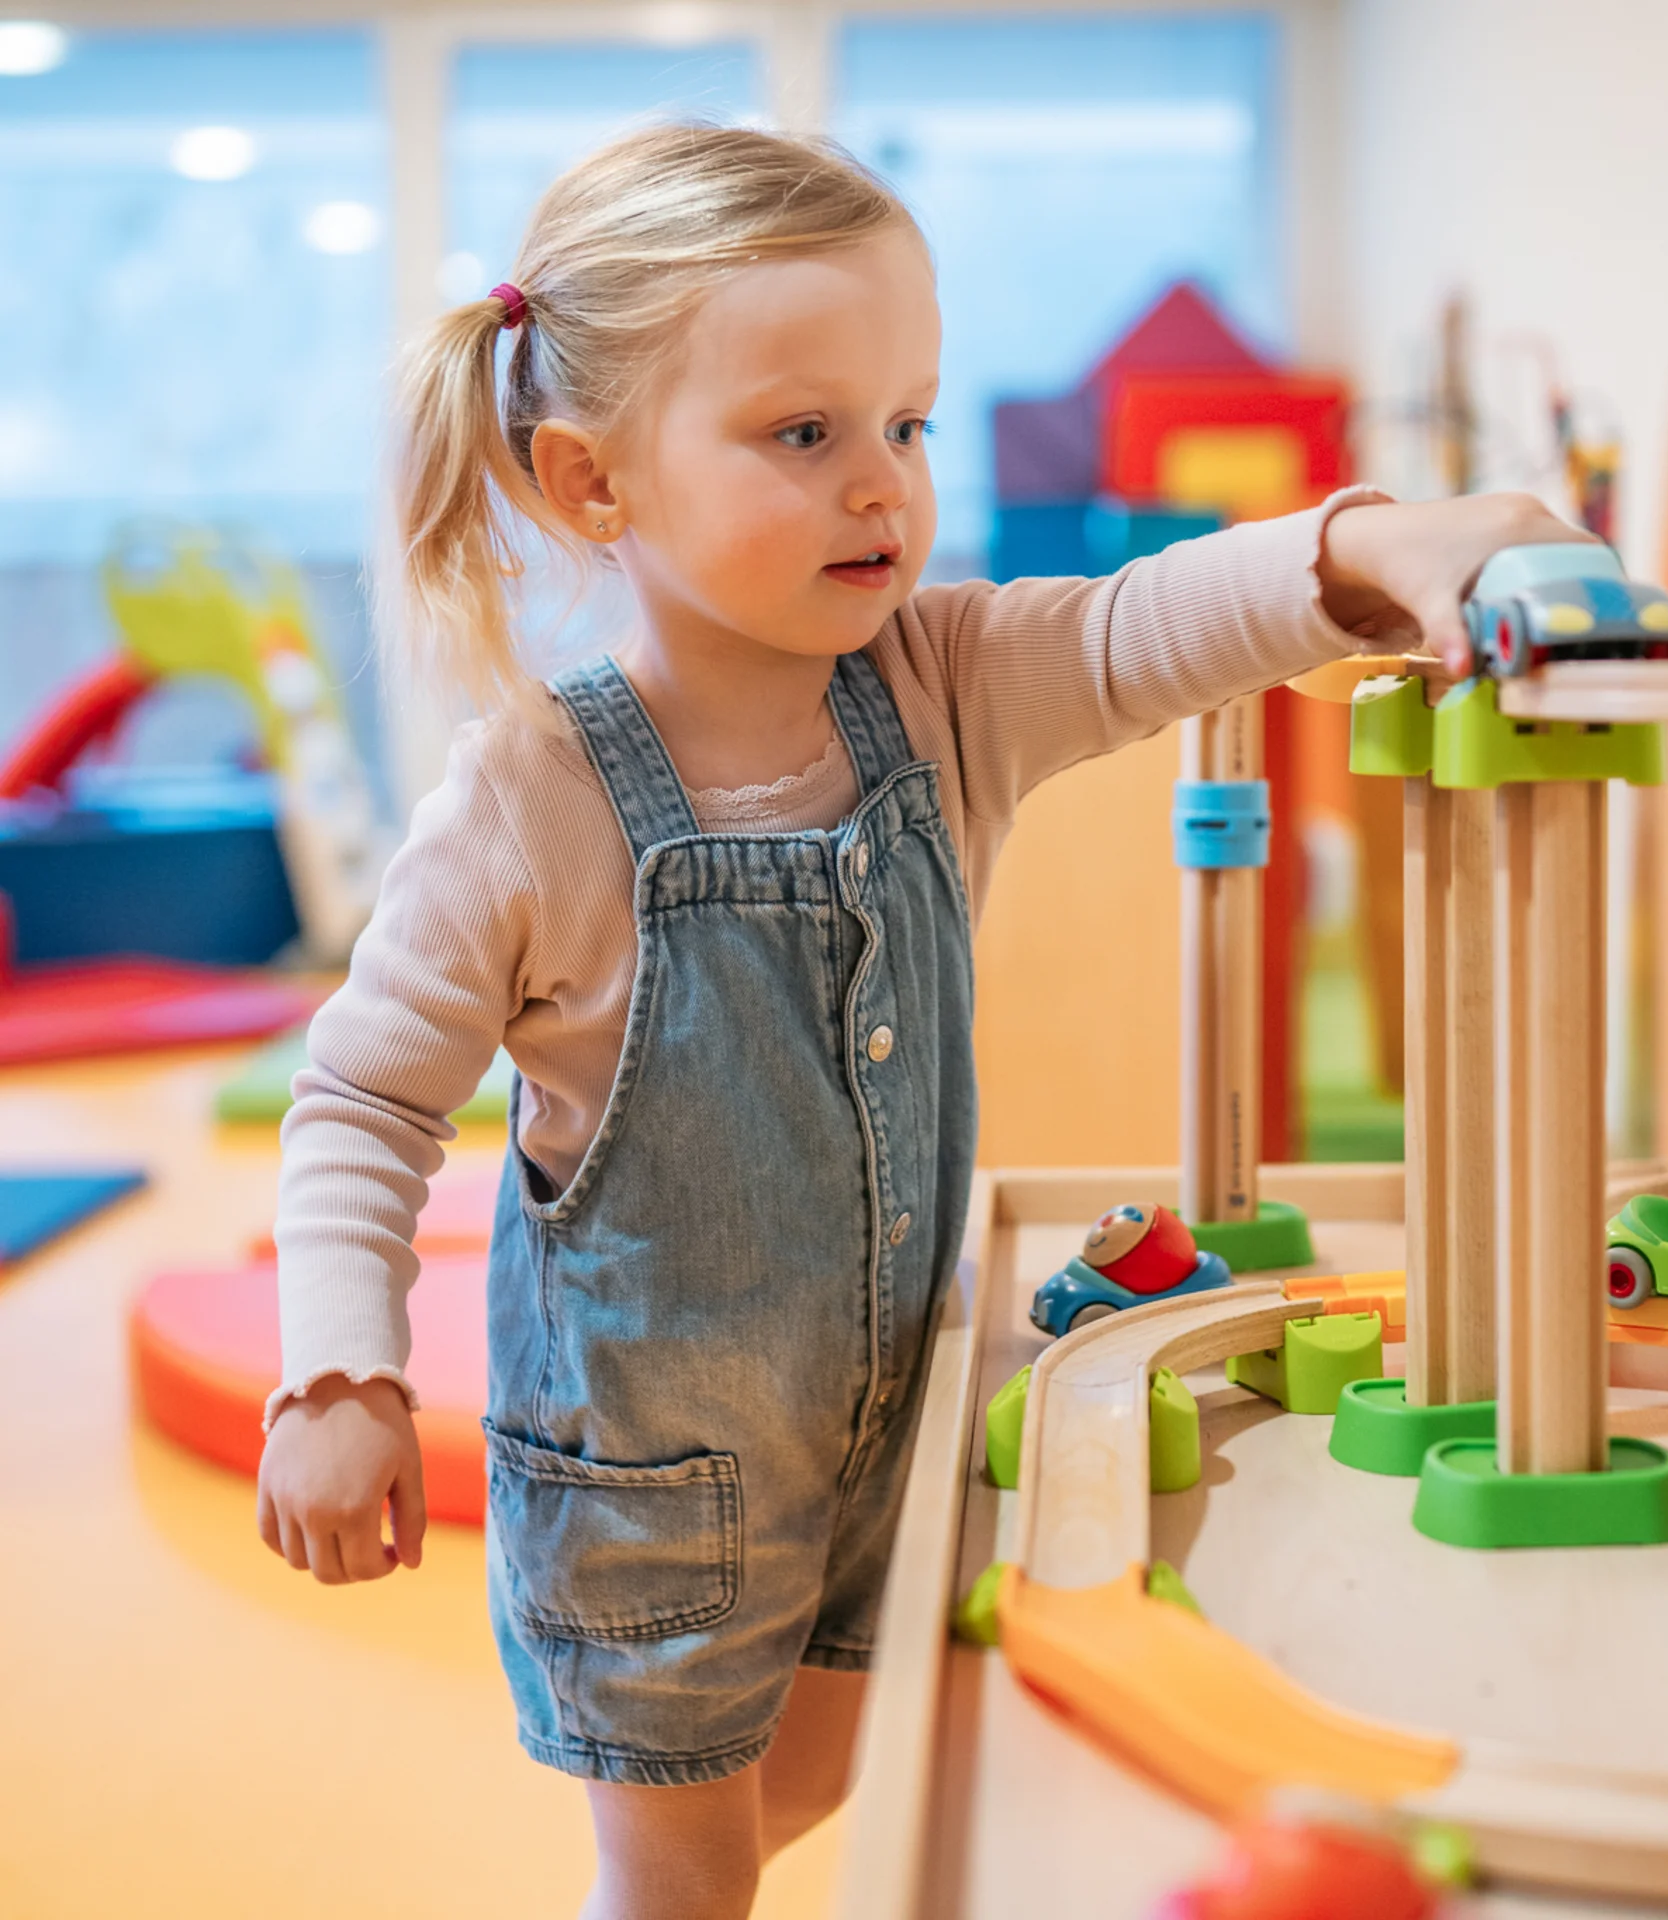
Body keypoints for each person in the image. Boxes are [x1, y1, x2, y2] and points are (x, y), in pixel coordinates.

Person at [254, 123, 1578, 1919]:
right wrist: (339, 1371)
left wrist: (1382, 548)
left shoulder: (940, 687)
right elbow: (357, 1104)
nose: (883, 486)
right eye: (804, 435)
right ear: (590, 482)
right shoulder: (533, 797)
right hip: (652, 1490)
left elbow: (1148, 623)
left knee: (822, 1786)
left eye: (908, 424)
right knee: (681, 1883)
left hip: (892, 1423)